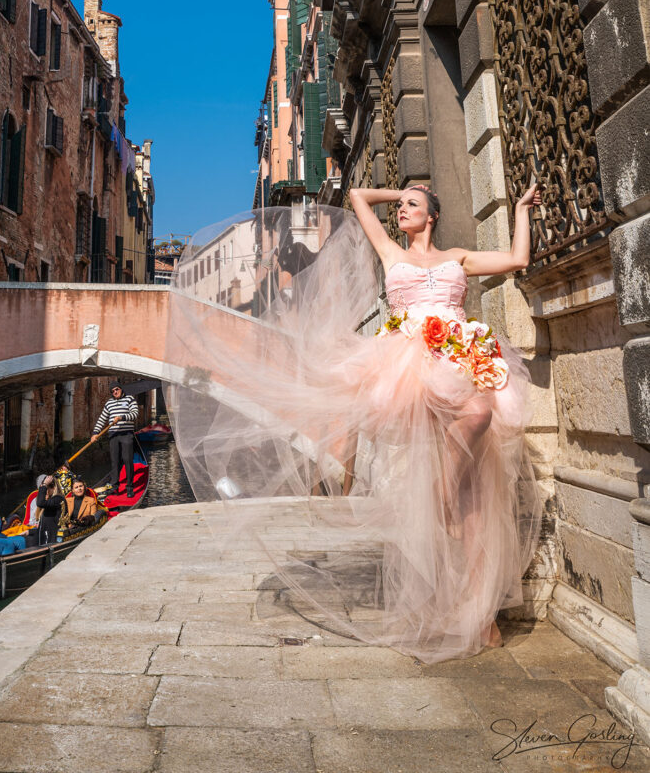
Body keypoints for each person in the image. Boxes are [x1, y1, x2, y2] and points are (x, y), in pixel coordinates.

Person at [165, 184, 544, 663]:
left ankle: (478, 610)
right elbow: (359, 196)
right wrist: (400, 189)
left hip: (456, 358)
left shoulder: (458, 257)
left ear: (432, 216)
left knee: (478, 463)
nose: (402, 210)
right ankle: (446, 502)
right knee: (465, 486)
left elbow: (516, 259)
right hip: (407, 366)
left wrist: (523, 211)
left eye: (412, 205)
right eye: (402, 204)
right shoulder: (389, 251)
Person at [91, 382, 139, 494]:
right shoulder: (109, 403)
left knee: (127, 460)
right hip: (113, 435)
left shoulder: (129, 399)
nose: (115, 392)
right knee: (115, 461)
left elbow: (135, 414)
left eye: (116, 389)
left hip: (126, 434)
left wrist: (122, 417)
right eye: (112, 391)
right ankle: (115, 486)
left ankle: (129, 487)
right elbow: (102, 419)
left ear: (121, 389)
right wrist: (95, 433)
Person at [27, 473, 63, 547]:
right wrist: (29, 531)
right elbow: (41, 526)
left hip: (52, 541)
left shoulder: (58, 499)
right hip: (43, 540)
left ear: (53, 488)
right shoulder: (49, 501)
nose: (44, 492)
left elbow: (40, 503)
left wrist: (44, 484)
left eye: (46, 488)